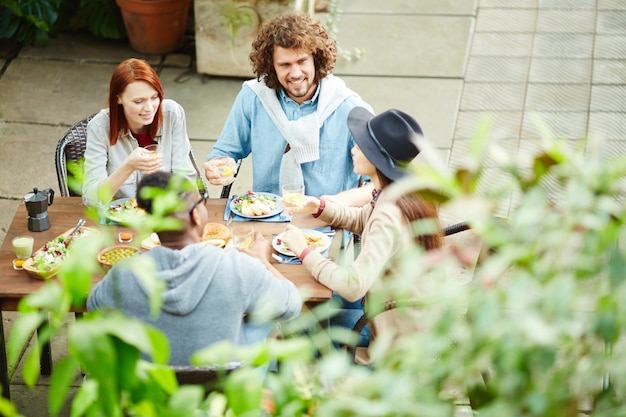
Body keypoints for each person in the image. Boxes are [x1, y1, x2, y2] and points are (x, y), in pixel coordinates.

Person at [280, 108, 444, 362]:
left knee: (298, 331)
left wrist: (304, 251)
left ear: (376, 157)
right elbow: (362, 219)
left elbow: (352, 286)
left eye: (360, 145)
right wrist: (319, 207)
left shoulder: (389, 213)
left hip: (395, 342)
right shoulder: (399, 191)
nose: (353, 150)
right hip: (407, 322)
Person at [87, 171, 302, 365]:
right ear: (195, 216)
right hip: (221, 397)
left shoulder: (125, 275)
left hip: (153, 398)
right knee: (262, 322)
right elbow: (291, 305)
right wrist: (261, 261)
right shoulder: (237, 267)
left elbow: (94, 306)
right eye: (201, 201)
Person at [203, 13, 374, 206]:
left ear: (315, 59)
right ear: (271, 66)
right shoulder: (253, 97)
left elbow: (382, 184)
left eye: (301, 61)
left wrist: (335, 202)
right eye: (285, 65)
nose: (295, 73)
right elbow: (225, 152)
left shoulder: (350, 109)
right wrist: (219, 166)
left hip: (327, 224)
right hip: (266, 216)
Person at [83, 58, 198, 208]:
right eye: (138, 101)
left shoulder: (172, 114)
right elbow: (90, 199)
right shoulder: (99, 128)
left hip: (166, 214)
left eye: (154, 97)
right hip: (122, 220)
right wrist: (128, 166)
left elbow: (186, 179)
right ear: (118, 99)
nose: (149, 108)